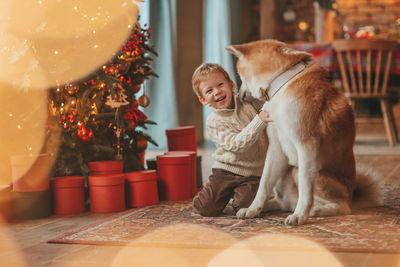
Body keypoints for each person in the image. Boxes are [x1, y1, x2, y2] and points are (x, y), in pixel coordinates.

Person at [191, 62, 272, 217]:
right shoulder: (214, 122)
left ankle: (239, 195)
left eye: (220, 84)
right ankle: (213, 192)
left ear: (231, 84)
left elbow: (266, 99)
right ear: (203, 100)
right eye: (209, 90)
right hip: (225, 170)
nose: (217, 92)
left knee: (245, 208)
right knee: (206, 208)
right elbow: (236, 145)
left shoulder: (248, 103)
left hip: (253, 173)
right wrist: (259, 120)